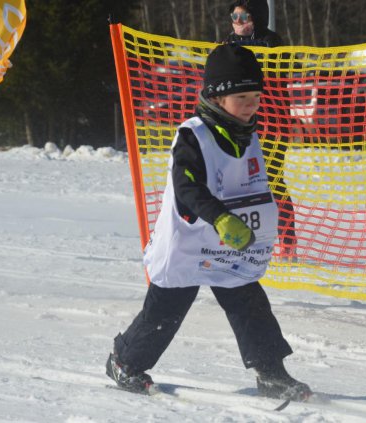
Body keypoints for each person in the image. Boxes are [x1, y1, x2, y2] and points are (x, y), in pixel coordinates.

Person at [105, 44, 311, 402]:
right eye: (242, 96)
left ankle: (271, 374)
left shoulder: (250, 136)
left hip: (230, 247)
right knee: (165, 311)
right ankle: (125, 363)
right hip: (189, 242)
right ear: (217, 97)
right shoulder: (194, 135)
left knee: (250, 304)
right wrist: (220, 218)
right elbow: (187, 187)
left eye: (256, 96)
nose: (252, 104)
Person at [224, 0, 297, 259]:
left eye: (244, 16)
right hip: (239, 124)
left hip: (272, 124)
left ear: (256, 17)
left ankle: (287, 243)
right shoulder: (227, 44)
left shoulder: (272, 43)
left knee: (272, 180)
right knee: (238, 184)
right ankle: (244, 240)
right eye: (234, 16)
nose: (238, 21)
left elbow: (283, 74)